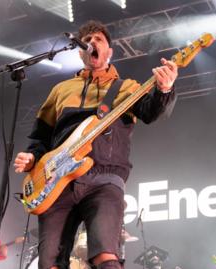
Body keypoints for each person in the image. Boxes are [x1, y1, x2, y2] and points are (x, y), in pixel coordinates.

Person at [14, 20, 178, 269]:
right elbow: (41, 137)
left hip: (105, 177)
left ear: (109, 52)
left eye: (98, 40)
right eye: (87, 41)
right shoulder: (60, 90)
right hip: (57, 182)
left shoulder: (127, 88)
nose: (92, 43)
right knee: (49, 262)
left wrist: (164, 90)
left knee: (105, 255)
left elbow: (150, 112)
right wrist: (32, 157)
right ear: (80, 52)